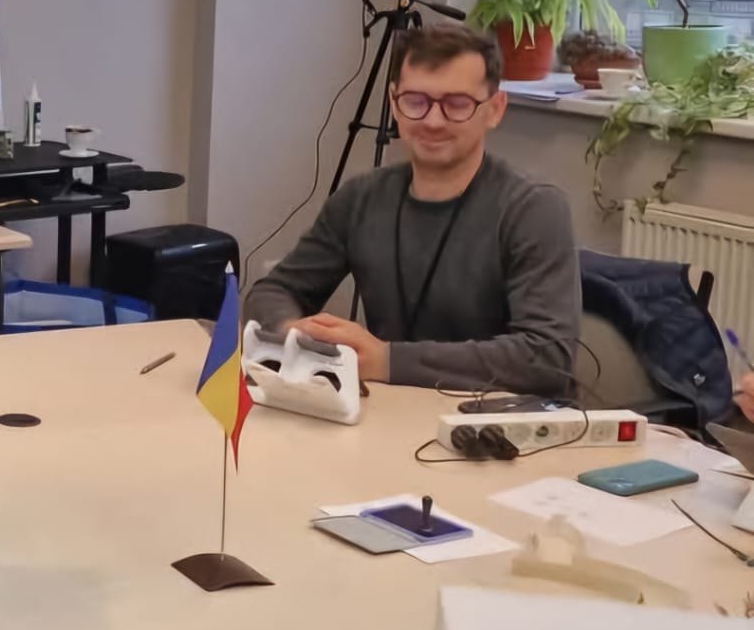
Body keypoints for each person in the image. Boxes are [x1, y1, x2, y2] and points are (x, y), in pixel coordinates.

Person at [243, 22, 580, 397]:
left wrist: (387, 360)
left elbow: (546, 358)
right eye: (416, 101)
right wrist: (292, 330)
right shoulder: (361, 199)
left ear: (495, 109)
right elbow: (273, 291)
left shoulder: (533, 210)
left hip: (496, 422)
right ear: (393, 104)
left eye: (457, 104)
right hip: (391, 415)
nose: (433, 121)